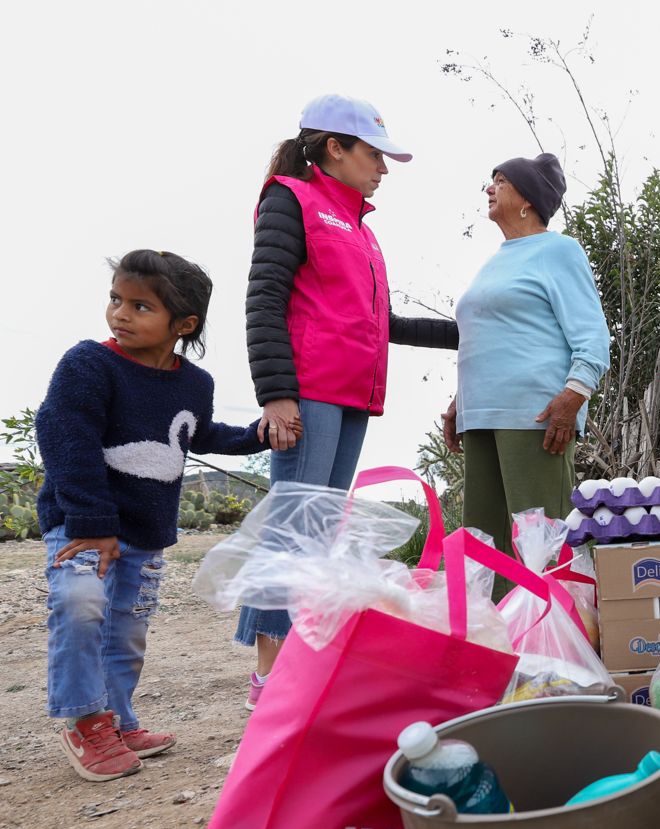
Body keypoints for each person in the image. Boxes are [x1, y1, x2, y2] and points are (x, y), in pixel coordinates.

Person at [237, 94, 458, 708]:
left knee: (319, 531)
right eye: (375, 154)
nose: (383, 168)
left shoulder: (360, 228)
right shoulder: (292, 200)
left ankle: (296, 658)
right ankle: (269, 671)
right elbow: (264, 299)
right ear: (334, 148)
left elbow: (377, 321)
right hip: (308, 392)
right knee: (294, 527)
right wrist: (277, 394)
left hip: (351, 396)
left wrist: (469, 329)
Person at [36, 251, 270, 781]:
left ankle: (116, 718)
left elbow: (200, 434)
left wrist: (254, 434)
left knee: (126, 631)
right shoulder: (89, 365)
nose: (120, 313)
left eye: (140, 306)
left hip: (145, 533)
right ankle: (85, 720)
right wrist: (93, 524)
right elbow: (64, 435)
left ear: (182, 325)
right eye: (116, 299)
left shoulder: (195, 383)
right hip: (83, 527)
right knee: (80, 604)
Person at [441, 154, 610, 578]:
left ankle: (554, 637)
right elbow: (487, 337)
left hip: (535, 416)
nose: (489, 188)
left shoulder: (558, 251)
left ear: (528, 200)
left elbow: (592, 335)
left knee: (540, 541)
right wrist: (458, 403)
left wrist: (574, 397)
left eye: (500, 180)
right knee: (484, 544)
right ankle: (496, 637)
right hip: (481, 418)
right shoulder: (496, 260)